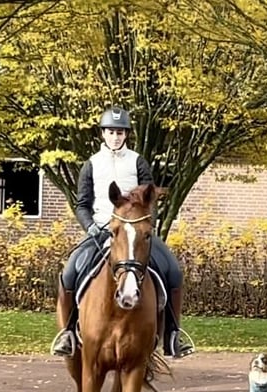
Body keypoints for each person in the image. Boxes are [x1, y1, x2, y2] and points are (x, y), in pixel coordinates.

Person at [50, 106, 195, 359]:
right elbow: (82, 204)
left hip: (135, 231)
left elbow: (150, 200)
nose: (116, 137)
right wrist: (91, 227)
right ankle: (68, 332)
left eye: (120, 132)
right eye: (111, 132)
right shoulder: (91, 164)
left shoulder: (137, 161)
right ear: (103, 134)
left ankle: (173, 335)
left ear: (126, 135)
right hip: (100, 231)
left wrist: (145, 227)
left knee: (173, 270)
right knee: (70, 271)